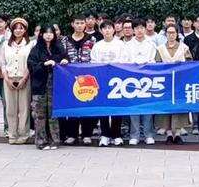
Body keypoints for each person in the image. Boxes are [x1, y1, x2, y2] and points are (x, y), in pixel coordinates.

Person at [28, 25, 69, 150]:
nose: (48, 35)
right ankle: (41, 141)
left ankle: (54, 140)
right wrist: (44, 64)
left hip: (55, 87)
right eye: (46, 33)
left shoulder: (59, 47)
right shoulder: (36, 49)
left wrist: (65, 61)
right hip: (40, 86)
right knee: (39, 115)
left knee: (53, 114)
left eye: (51, 33)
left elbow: (66, 58)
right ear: (41, 34)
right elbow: (31, 66)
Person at [90, 20, 128, 146]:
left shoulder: (120, 44)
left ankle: (117, 135)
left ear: (113, 29)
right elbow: (93, 62)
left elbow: (125, 61)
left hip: (117, 81)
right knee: (103, 108)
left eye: (109, 28)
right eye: (104, 28)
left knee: (117, 107)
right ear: (101, 31)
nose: (107, 30)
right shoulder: (97, 46)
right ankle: (105, 135)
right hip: (102, 80)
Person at [59, 15, 96, 145]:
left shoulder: (92, 40)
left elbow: (95, 57)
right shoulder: (65, 40)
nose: (79, 25)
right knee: (72, 105)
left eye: (81, 23)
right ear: (72, 24)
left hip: (87, 77)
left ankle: (87, 134)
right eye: (77, 23)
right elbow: (60, 55)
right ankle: (72, 134)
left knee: (87, 104)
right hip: (70, 78)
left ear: (85, 25)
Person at [155, 24, 193, 144]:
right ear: (165, 34)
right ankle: (168, 134)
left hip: (180, 82)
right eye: (169, 32)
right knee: (166, 107)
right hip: (165, 83)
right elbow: (156, 65)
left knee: (178, 108)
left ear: (177, 34)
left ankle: (177, 133)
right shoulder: (160, 49)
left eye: (173, 33)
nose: (171, 35)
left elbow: (190, 64)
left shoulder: (184, 48)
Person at [1, 18, 34, 145]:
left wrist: (24, 78)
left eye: (21, 28)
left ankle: (23, 134)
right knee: (10, 108)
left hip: (24, 78)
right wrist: (7, 79)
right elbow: (3, 63)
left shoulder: (30, 44)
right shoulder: (6, 44)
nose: (18, 30)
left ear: (25, 30)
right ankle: (12, 134)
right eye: (15, 28)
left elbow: (31, 64)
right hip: (9, 78)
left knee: (24, 108)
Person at [126, 19, 158, 145]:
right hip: (132, 79)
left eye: (141, 28)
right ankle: (134, 135)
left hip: (147, 78)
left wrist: (146, 65)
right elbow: (125, 61)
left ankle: (148, 134)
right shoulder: (127, 45)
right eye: (137, 28)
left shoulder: (151, 44)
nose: (139, 30)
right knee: (134, 107)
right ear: (133, 30)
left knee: (147, 106)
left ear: (145, 29)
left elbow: (153, 60)